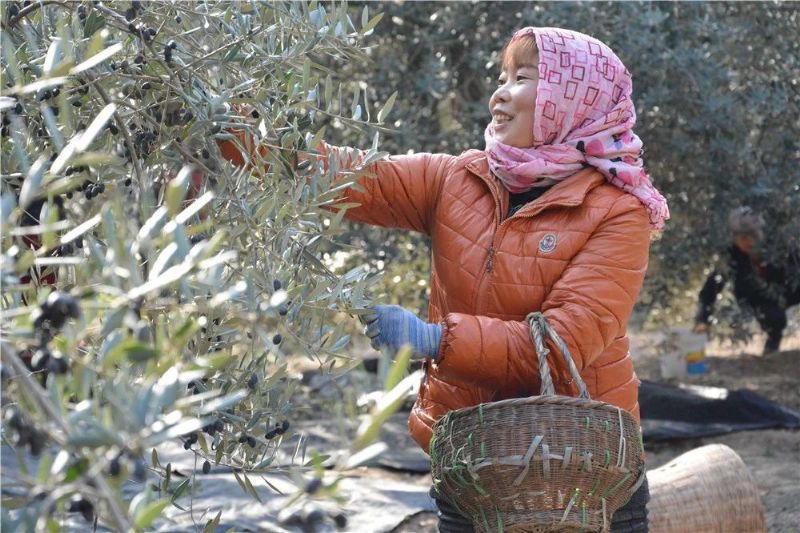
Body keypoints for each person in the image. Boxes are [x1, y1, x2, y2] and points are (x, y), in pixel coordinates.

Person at [222, 26, 668, 533]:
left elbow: (562, 344)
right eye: (501, 77)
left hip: (585, 469)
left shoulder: (617, 212)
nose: (499, 94)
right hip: (470, 461)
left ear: (572, 100)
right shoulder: (456, 179)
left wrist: (436, 339)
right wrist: (226, 128)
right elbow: (337, 174)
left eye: (522, 78)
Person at [693, 206, 800, 355]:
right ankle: (770, 351)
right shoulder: (732, 257)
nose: (750, 241)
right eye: (743, 237)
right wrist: (702, 320)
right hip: (757, 301)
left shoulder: (780, 248)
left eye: (754, 235)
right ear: (734, 238)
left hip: (788, 292)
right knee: (774, 318)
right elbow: (709, 291)